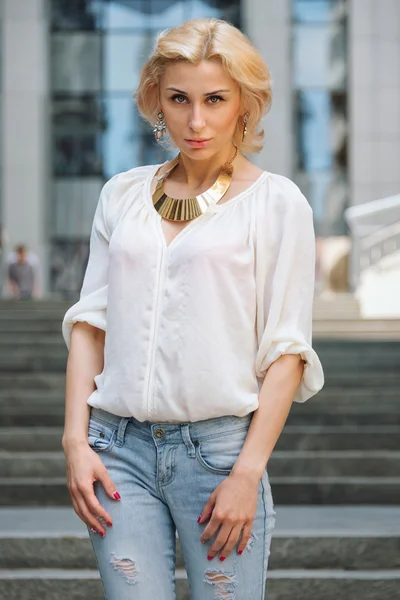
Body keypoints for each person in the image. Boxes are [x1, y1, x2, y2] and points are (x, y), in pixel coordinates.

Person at [61, 18, 324, 600]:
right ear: (157, 98)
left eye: (215, 100)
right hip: (116, 451)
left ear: (245, 105)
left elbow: (286, 352)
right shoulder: (122, 195)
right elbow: (90, 323)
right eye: (179, 99)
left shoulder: (277, 205)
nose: (196, 120)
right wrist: (76, 443)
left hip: (220, 456)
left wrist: (247, 474)